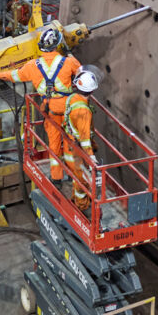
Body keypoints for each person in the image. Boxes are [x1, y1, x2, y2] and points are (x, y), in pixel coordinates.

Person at [0, 24, 82, 180]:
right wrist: (69, 54)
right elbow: (81, 71)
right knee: (71, 141)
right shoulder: (68, 63)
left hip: (50, 108)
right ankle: (75, 176)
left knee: (53, 144)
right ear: (58, 44)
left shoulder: (32, 66)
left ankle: (56, 178)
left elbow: (14, 75)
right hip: (68, 106)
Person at [61, 68, 100, 211]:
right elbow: (84, 139)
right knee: (83, 180)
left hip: (71, 141)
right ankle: (82, 207)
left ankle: (76, 198)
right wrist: (91, 157)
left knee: (77, 174)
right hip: (79, 148)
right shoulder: (83, 111)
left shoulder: (72, 98)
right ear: (92, 91)